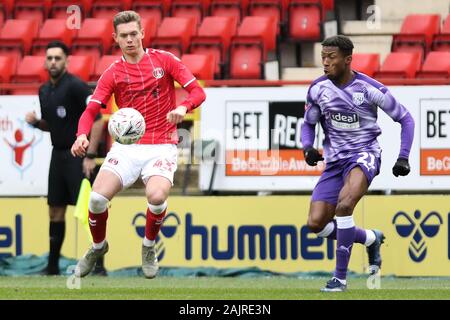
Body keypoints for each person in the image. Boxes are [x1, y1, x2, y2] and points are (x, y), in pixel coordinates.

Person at [71, 10, 206, 279]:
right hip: (126, 147)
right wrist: (81, 134)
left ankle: (148, 245)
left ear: (142, 33)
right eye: (124, 36)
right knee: (97, 199)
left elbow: (198, 92)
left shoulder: (164, 61)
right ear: (115, 39)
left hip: (161, 144)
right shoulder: (113, 73)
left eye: (134, 34)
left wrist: (182, 106)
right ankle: (98, 246)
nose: (130, 39)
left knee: (156, 197)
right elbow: (91, 111)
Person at [301, 35, 414, 292]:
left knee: (344, 205)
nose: (326, 63)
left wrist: (403, 156)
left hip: (364, 154)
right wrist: (307, 147)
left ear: (348, 59)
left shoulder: (369, 88)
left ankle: (339, 279)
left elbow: (406, 119)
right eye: (323, 57)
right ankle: (371, 238)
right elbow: (308, 123)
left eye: (331, 58)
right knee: (316, 224)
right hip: (334, 162)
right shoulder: (318, 89)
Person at [25, 40, 106, 276]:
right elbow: (54, 125)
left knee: (89, 211)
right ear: (44, 61)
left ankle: (99, 267)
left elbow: (98, 120)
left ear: (66, 61)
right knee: (55, 211)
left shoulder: (76, 87)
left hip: (79, 155)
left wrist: (90, 155)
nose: (53, 62)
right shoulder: (44, 90)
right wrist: (36, 124)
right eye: (49, 58)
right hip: (57, 155)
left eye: (57, 58)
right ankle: (52, 267)